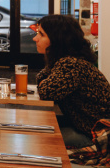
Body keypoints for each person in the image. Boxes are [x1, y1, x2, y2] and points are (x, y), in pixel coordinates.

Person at [33, 15, 110, 148]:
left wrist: (44, 83)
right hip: (81, 125)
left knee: (38, 138)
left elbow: (46, 92)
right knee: (36, 125)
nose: (35, 38)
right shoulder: (65, 61)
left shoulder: (71, 64)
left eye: (41, 34)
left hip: (95, 134)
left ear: (57, 40)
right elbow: (41, 79)